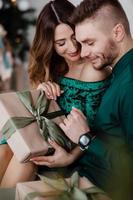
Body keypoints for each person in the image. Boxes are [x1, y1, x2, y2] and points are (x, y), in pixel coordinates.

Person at [0, 0, 111, 188]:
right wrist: (41, 92)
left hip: (72, 150)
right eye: (61, 43)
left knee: (27, 157)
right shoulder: (52, 66)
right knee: (5, 145)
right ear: (50, 44)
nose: (73, 48)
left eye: (75, 37)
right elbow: (34, 115)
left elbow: (93, 131)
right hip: (44, 136)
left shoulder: (93, 69)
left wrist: (68, 158)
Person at [51, 0, 133, 199]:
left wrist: (85, 137)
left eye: (90, 42)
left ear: (118, 32)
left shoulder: (130, 83)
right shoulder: (118, 73)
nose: (84, 52)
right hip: (82, 173)